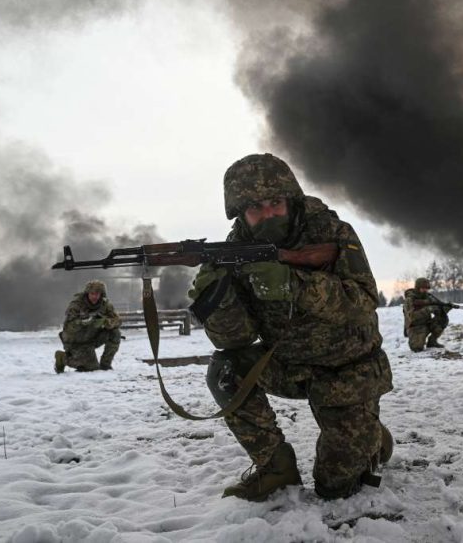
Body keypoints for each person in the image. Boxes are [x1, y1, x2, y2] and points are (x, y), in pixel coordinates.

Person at [188, 153, 393, 502]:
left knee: (335, 489)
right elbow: (236, 339)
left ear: (291, 199)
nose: (268, 214)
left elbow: (362, 303)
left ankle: (370, 435)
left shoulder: (331, 232)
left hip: (347, 371)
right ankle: (275, 468)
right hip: (288, 366)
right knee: (226, 369)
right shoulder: (236, 250)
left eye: (275, 203)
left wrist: (293, 284)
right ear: (240, 213)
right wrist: (217, 300)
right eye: (255, 208)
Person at [54, 280, 122, 373]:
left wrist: (107, 322)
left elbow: (118, 320)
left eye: (97, 294)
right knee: (91, 368)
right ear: (87, 293)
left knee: (115, 333)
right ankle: (62, 358)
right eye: (92, 293)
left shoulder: (105, 304)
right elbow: (69, 327)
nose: (95, 297)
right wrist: (82, 322)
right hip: (75, 342)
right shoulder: (76, 305)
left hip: (92, 338)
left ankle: (105, 365)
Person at [402, 277, 449, 352]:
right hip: (415, 327)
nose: (426, 290)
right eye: (423, 288)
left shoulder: (429, 297)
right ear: (417, 288)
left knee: (442, 319)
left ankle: (432, 342)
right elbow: (412, 317)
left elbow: (438, 310)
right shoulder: (409, 299)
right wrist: (428, 309)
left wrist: (445, 309)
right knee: (417, 348)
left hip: (427, 323)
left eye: (427, 288)